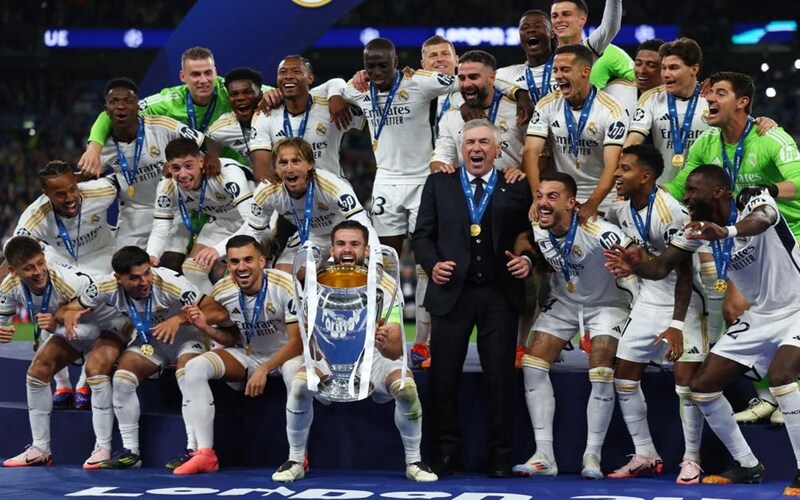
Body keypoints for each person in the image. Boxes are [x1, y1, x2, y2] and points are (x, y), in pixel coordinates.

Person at [605, 165, 800, 492]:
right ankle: (747, 465)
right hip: (759, 316)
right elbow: (662, 266)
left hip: (796, 306)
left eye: (693, 190)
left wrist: (726, 232)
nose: (686, 197)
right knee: (703, 386)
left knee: (782, 376)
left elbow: (764, 218)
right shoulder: (694, 228)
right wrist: (637, 265)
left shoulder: (752, 200)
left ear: (718, 192)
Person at [272, 220, 437, 483]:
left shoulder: (385, 285)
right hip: (329, 357)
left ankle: (414, 461)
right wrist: (310, 338)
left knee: (406, 388)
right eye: (341, 244)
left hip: (373, 358)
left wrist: (384, 341)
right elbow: (312, 348)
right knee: (300, 385)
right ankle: (295, 459)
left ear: (367, 250)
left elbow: (395, 351)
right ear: (332, 250)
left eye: (354, 244)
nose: (347, 249)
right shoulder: (315, 284)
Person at [412, 119, 533, 477]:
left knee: (500, 378)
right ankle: (445, 453)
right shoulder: (439, 183)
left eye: (483, 142)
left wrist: (527, 260)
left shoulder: (516, 185)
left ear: (497, 149)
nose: (476, 148)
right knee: (444, 378)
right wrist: (433, 265)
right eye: (469, 143)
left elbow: (531, 232)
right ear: (461, 148)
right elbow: (422, 236)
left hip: (499, 293)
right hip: (452, 292)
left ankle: (500, 456)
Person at [59, 246, 228, 470]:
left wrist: (179, 320)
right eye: (135, 278)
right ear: (118, 278)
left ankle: (193, 449)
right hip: (151, 340)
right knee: (122, 380)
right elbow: (65, 310)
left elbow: (219, 312)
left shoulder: (171, 283)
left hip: (186, 336)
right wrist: (68, 313)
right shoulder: (104, 287)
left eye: (147, 273)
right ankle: (131, 452)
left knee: (186, 375)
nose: (144, 281)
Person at [512, 171, 632, 479]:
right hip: (565, 302)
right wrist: (526, 259)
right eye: (539, 196)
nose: (543, 203)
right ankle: (544, 456)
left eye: (552, 197)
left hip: (607, 304)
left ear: (571, 203)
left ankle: (592, 455)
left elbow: (636, 260)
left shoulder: (599, 232)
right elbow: (527, 239)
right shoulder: (539, 223)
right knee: (532, 364)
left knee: (601, 370)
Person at [603, 145, 707, 484]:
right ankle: (645, 453)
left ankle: (692, 459)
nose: (617, 174)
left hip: (683, 305)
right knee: (624, 377)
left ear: (645, 176)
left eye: (625, 169)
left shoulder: (672, 212)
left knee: (686, 385)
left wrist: (676, 325)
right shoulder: (621, 208)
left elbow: (684, 274)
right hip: (648, 301)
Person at [175, 235, 302, 475]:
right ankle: (205, 454)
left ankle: (297, 455)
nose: (241, 267)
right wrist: (206, 328)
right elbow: (231, 337)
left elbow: (298, 343)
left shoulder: (285, 284)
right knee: (194, 367)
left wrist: (264, 369)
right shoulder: (222, 290)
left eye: (248, 260)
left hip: (287, 356)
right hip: (248, 354)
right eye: (234, 262)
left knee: (293, 373)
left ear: (262, 261)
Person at [0, 236, 130, 469]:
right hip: (75, 329)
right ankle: (40, 448)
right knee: (37, 372)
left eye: (41, 263)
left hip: (113, 323)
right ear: (12, 271)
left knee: (95, 369)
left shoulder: (70, 283)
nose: (38, 272)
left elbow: (93, 332)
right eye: (29, 268)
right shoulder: (10, 286)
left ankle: (103, 448)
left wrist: (55, 328)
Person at [194, 138, 371, 273]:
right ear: (276, 168)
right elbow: (252, 230)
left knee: (357, 273)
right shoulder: (268, 190)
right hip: (310, 236)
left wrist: (374, 258)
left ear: (310, 164)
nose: (289, 169)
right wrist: (217, 249)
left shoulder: (331, 185)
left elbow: (363, 224)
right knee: (282, 274)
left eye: (296, 161)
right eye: (283, 163)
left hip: (345, 237)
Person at [98, 77, 210, 249]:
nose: (121, 106)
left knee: (171, 259)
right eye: (114, 102)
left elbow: (206, 144)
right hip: (133, 214)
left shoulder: (162, 125)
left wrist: (207, 163)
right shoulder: (102, 146)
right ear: (106, 109)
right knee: (127, 262)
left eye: (128, 101)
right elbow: (89, 176)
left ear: (138, 106)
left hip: (174, 206)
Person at [79, 47, 228, 176]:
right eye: (196, 74)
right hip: (185, 174)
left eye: (208, 73)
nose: (203, 80)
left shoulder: (230, 92)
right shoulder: (168, 102)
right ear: (183, 76)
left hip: (230, 166)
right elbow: (110, 115)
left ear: (215, 72)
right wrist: (93, 149)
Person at [522, 44, 628, 221]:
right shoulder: (546, 105)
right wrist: (537, 197)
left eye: (565, 70)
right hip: (560, 195)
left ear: (585, 72)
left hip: (604, 197)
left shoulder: (612, 110)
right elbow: (530, 151)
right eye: (555, 70)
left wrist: (592, 203)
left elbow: (613, 164)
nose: (558, 76)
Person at [146, 138, 253, 294]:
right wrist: (151, 255)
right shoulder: (167, 185)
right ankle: (213, 307)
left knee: (249, 266)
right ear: (168, 167)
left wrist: (218, 250)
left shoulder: (226, 174)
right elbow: (161, 227)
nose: (183, 174)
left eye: (189, 166)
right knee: (193, 269)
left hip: (260, 220)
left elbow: (253, 224)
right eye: (176, 168)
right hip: (223, 221)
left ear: (201, 162)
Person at [249, 56, 363, 182]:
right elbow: (262, 173)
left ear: (310, 78)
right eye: (283, 72)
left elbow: (372, 124)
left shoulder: (330, 105)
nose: (288, 76)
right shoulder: (265, 114)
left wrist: (336, 92)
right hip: (288, 189)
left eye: (296, 71)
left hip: (332, 188)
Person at [13, 160, 117, 279]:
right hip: (63, 262)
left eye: (73, 189)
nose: (69, 198)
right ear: (47, 194)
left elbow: (125, 179)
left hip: (104, 252)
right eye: (60, 194)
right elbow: (15, 253)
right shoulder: (35, 216)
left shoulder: (98, 192)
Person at [431, 50, 526, 175]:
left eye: (473, 77)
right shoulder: (451, 116)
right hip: (467, 186)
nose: (466, 84)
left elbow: (541, 155)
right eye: (462, 78)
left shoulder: (518, 111)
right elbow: (440, 158)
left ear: (491, 78)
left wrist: (519, 171)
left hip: (510, 184)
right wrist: (441, 171)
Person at [206, 67, 264, 167]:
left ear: (260, 95)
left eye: (247, 92)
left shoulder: (278, 113)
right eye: (234, 94)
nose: (240, 98)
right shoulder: (223, 127)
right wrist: (211, 156)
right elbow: (208, 139)